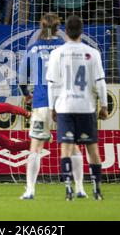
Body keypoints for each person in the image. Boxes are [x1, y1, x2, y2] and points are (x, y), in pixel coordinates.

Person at [18, 13, 88, 200]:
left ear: (41, 26)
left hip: (41, 102)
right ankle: (80, 188)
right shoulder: (65, 48)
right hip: (66, 103)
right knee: (73, 147)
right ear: (59, 27)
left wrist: (26, 94)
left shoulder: (33, 49)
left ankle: (30, 190)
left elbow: (21, 78)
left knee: (36, 147)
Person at [46, 15, 108, 201]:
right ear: (81, 31)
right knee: (92, 149)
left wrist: (52, 108)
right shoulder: (92, 53)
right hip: (86, 106)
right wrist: (104, 105)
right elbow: (100, 82)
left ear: (66, 31)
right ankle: (97, 190)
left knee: (66, 148)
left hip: (64, 105)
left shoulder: (57, 53)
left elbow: (52, 84)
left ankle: (68, 188)